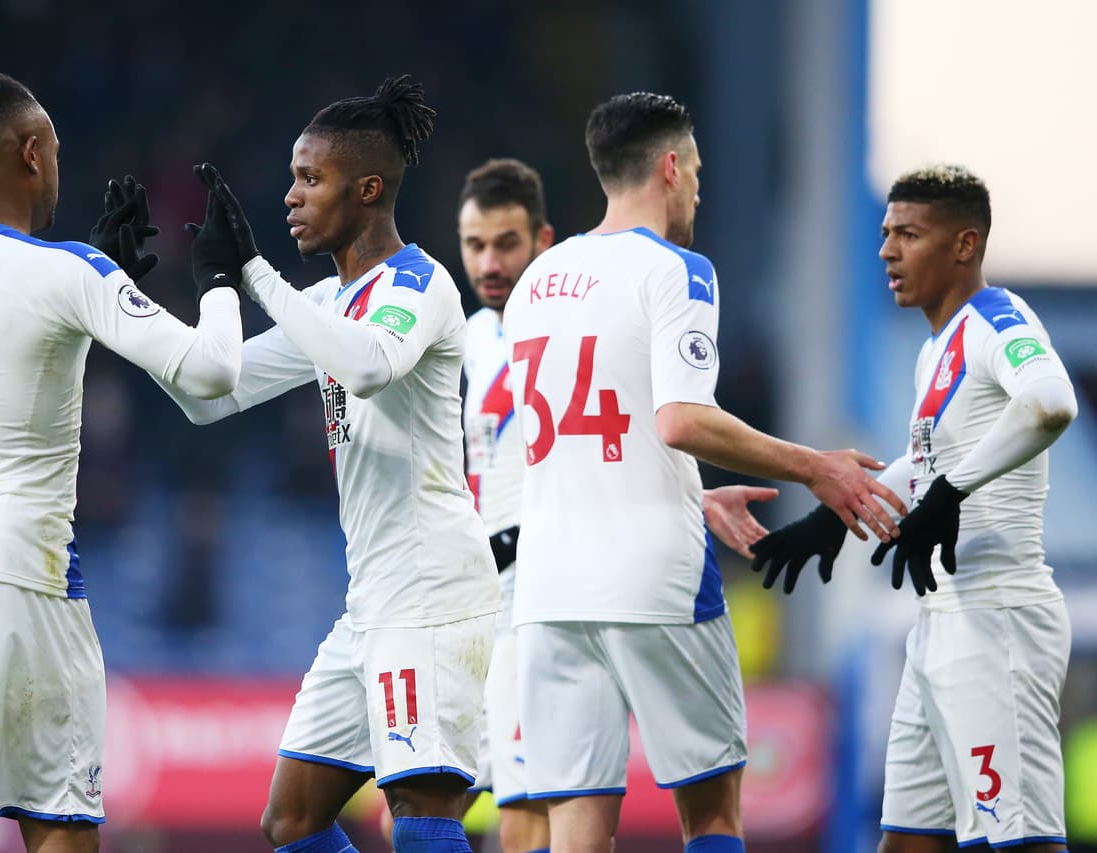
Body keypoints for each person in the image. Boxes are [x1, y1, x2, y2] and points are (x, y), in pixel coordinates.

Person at [499, 92, 908, 853]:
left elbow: (572, 440)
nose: (697, 189)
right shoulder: (678, 271)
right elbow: (681, 419)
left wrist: (689, 488)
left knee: (576, 830)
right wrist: (813, 465)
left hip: (549, 585)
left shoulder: (535, 283)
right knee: (712, 816)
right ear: (668, 167)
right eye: (696, 171)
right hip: (654, 576)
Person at [0, 72, 247, 853]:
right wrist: (217, 280)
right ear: (33, 151)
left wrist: (93, 290)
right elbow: (211, 373)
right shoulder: (69, 272)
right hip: (17, 568)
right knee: (60, 822)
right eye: (58, 151)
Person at [155, 76, 500, 853]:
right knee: (294, 819)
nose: (291, 196)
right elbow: (209, 395)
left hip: (432, 593)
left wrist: (259, 278)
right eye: (292, 177)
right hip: (371, 601)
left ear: (368, 188)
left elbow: (371, 365)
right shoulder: (330, 305)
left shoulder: (419, 282)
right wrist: (180, 292)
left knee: (421, 808)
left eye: (311, 178)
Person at [453, 157, 778, 853]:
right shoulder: (476, 340)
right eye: (474, 244)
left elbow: (633, 425)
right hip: (510, 593)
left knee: (533, 820)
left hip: (543, 582)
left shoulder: (555, 312)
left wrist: (683, 490)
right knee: (519, 817)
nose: (488, 261)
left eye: (504, 243)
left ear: (540, 241)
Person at [750, 165, 1077, 852]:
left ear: (964, 245)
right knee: (905, 840)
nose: (887, 251)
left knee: (1019, 840)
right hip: (939, 626)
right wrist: (838, 514)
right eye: (885, 233)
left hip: (999, 620)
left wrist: (953, 492)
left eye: (909, 234)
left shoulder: (998, 319)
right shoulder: (937, 347)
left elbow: (1051, 403)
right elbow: (927, 458)